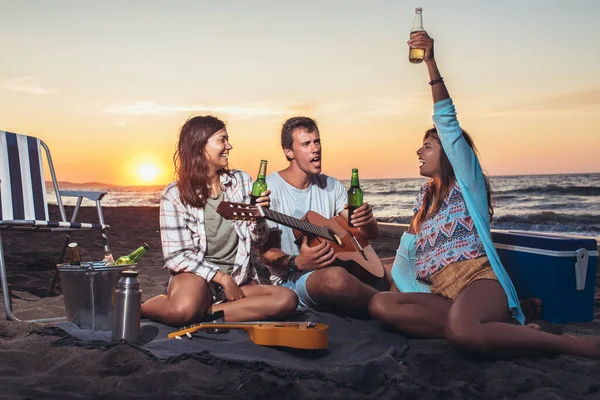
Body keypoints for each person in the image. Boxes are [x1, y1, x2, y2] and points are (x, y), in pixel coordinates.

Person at [369, 31, 600, 358]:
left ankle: (571, 344)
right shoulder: (424, 200)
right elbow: (406, 259)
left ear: (448, 154)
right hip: (442, 295)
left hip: (478, 282)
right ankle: (493, 329)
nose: (418, 151)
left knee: (462, 331)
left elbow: (447, 121)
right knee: (381, 304)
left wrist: (430, 63)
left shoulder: (466, 185)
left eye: (428, 145)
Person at [142, 116, 298, 327]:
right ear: (199, 146)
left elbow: (259, 240)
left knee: (287, 299)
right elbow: (176, 256)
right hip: (197, 278)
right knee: (182, 311)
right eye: (222, 140)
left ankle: (207, 313)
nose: (229, 146)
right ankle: (143, 307)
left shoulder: (241, 182)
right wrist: (222, 279)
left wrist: (260, 217)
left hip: (239, 278)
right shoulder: (174, 194)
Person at [258, 116, 381, 316]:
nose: (315, 148)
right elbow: (265, 253)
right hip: (292, 279)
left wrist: (366, 220)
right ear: (288, 151)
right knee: (336, 279)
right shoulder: (271, 189)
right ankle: (384, 303)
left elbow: (368, 235)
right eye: (306, 144)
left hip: (337, 265)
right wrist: (297, 262)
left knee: (395, 265)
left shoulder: (330, 185)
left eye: (317, 141)